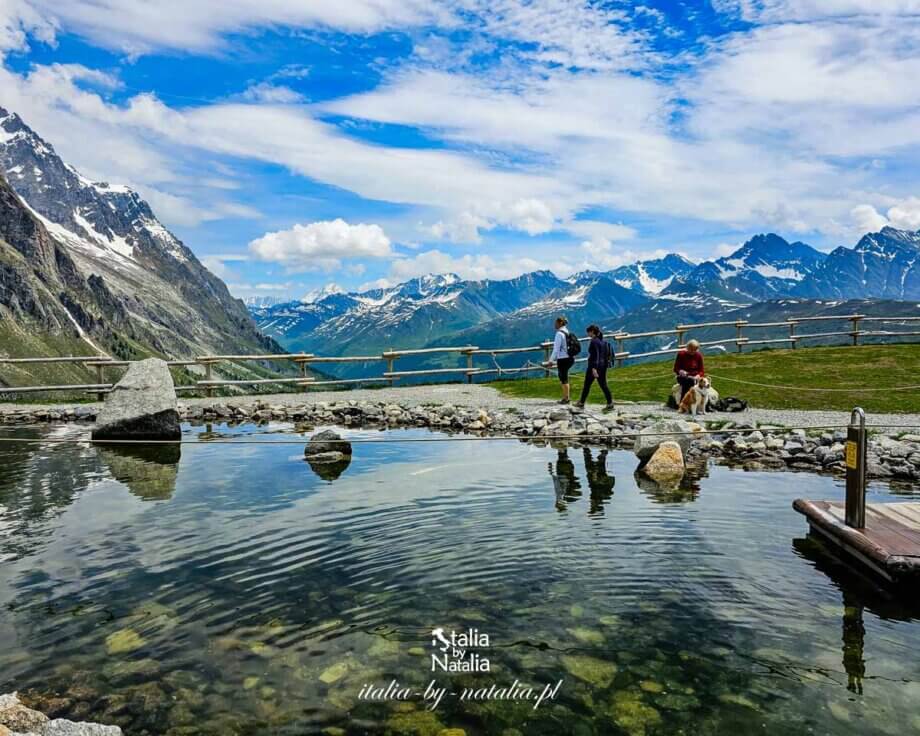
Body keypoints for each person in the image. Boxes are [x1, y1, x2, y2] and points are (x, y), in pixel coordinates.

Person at [573, 325, 613, 411]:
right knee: (603, 385)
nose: (588, 334)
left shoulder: (594, 341)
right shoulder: (602, 341)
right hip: (603, 366)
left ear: (592, 332)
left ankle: (581, 403)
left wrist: (594, 368)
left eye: (588, 332)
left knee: (587, 385)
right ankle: (610, 403)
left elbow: (596, 355)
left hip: (594, 366)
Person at [548, 316, 575, 404]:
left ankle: (566, 398)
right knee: (564, 377)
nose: (554, 324)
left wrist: (551, 360)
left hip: (563, 358)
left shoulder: (559, 334)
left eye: (555, 323)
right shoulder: (566, 331)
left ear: (560, 323)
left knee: (563, 378)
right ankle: (566, 397)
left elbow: (556, 349)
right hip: (569, 357)